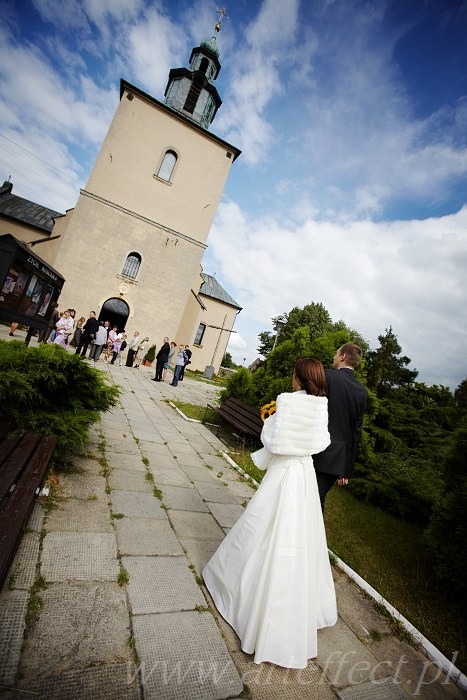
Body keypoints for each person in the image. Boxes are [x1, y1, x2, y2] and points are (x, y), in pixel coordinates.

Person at [203, 358, 337, 669]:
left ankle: (240, 594)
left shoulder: (287, 402)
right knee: (300, 538)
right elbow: (322, 443)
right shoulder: (321, 407)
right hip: (304, 475)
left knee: (260, 527)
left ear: (299, 378)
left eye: (294, 374)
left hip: (283, 475)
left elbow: (272, 441)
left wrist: (270, 425)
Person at [313, 343, 368, 511]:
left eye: (336, 354)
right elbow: (355, 431)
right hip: (337, 460)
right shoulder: (362, 391)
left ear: (343, 357)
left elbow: (314, 411)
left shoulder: (327, 376)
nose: (334, 357)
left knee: (310, 500)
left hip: (317, 449)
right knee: (316, 499)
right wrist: (346, 469)